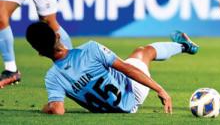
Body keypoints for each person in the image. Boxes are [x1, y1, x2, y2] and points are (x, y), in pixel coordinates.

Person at [25, 21, 199, 114]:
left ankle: (184, 46)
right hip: (133, 91)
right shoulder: (90, 49)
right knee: (142, 52)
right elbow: (127, 69)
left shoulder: (53, 77)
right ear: (57, 35)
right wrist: (160, 89)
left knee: (136, 56)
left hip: (116, 110)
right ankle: (185, 46)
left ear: (40, 53)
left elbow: (58, 110)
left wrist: (47, 107)